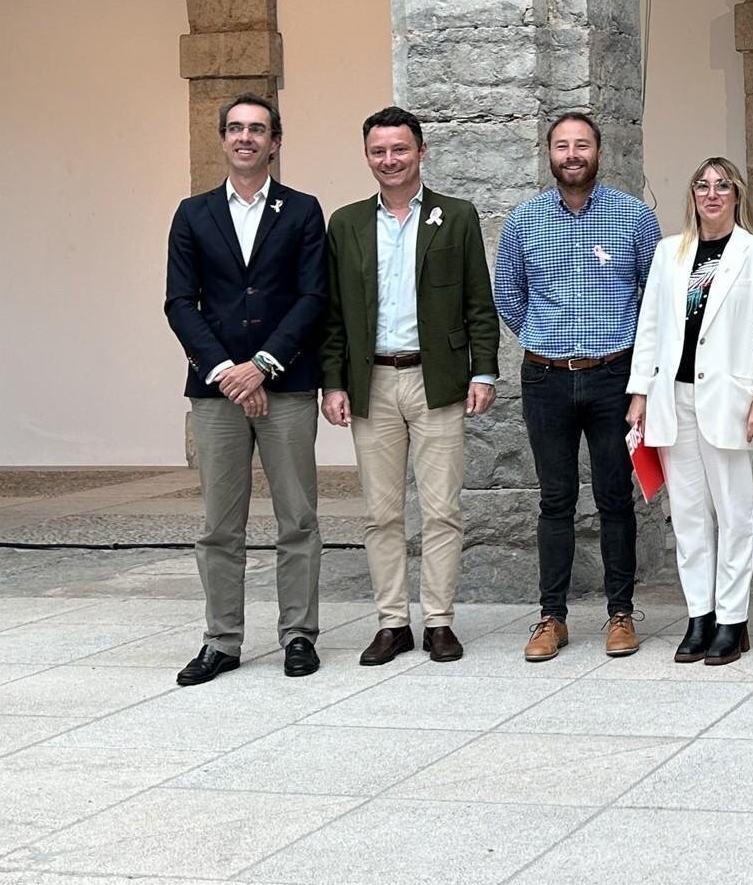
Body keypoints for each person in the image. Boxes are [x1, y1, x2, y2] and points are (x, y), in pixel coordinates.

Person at [320, 107, 499, 667]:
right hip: (371, 381)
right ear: (367, 156)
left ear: (422, 151)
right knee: (381, 514)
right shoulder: (346, 223)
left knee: (442, 509)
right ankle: (392, 623)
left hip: (436, 381)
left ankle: (439, 620)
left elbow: (478, 301)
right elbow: (332, 314)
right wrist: (333, 383)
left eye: (400, 149)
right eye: (378, 151)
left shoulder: (456, 216)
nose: (390, 160)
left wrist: (483, 370)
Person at [163, 94, 327, 685]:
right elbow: (179, 302)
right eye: (235, 128)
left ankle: (299, 635)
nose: (245, 137)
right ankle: (221, 641)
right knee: (219, 526)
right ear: (223, 139)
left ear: (274, 141)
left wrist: (261, 365)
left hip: (286, 386)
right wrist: (227, 371)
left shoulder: (303, 210)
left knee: (298, 518)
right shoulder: (193, 213)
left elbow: (313, 297)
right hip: (216, 393)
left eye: (257, 129)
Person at [494, 112, 662, 662]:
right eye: (562, 145)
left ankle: (621, 613)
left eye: (582, 145)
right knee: (555, 499)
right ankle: (552, 617)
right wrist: (542, 337)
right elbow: (508, 294)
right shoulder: (524, 220)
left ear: (599, 153)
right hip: (545, 377)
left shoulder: (634, 216)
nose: (572, 154)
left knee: (616, 497)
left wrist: (636, 369)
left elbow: (654, 295)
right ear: (549, 154)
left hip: (614, 376)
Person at [626, 158, 753, 667]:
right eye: (703, 185)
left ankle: (733, 620)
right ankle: (700, 615)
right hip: (674, 398)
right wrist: (639, 393)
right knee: (689, 515)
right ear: (692, 194)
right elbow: (650, 326)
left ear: (737, 194)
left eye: (722, 186)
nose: (712, 194)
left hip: (731, 402)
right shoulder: (668, 252)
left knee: (734, 514)